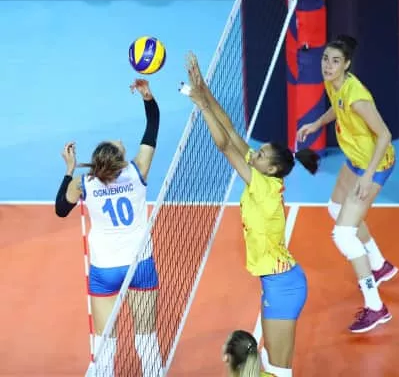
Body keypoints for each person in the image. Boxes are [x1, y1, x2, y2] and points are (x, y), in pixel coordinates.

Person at [181, 52, 320, 377]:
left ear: (271, 168)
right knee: (270, 363)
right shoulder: (263, 175)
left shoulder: (262, 186)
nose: (254, 153)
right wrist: (204, 90)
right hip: (277, 282)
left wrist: (201, 106)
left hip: (284, 287)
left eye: (260, 154)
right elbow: (230, 131)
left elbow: (224, 146)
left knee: (279, 370)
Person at [55, 79, 163, 377]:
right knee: (147, 340)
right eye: (118, 145)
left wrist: (69, 170)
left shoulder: (85, 183)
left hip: (104, 270)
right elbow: (152, 126)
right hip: (140, 265)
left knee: (105, 345)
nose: (120, 141)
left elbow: (61, 209)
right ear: (119, 161)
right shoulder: (137, 170)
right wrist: (147, 97)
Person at [297, 34, 397, 333]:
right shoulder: (334, 82)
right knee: (335, 208)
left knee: (343, 235)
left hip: (374, 165)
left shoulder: (357, 96)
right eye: (326, 59)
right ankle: (379, 265)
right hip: (355, 159)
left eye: (335, 61)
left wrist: (367, 177)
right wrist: (316, 124)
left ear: (347, 64)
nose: (328, 65)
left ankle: (376, 307)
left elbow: (385, 135)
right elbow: (336, 107)